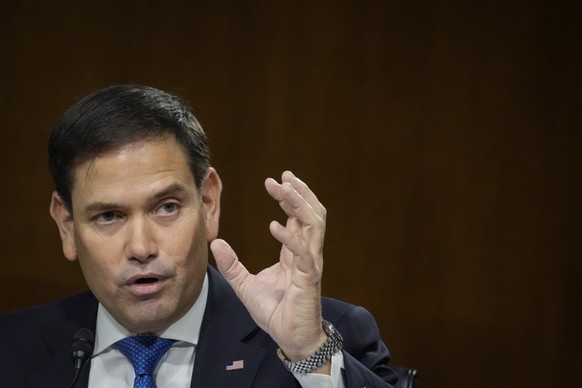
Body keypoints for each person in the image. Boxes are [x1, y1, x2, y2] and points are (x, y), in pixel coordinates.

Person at [0, 85, 397, 387]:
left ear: (208, 203)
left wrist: (310, 353)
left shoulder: (325, 337)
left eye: (166, 207)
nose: (141, 248)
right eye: (108, 216)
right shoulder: (11, 350)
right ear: (67, 225)